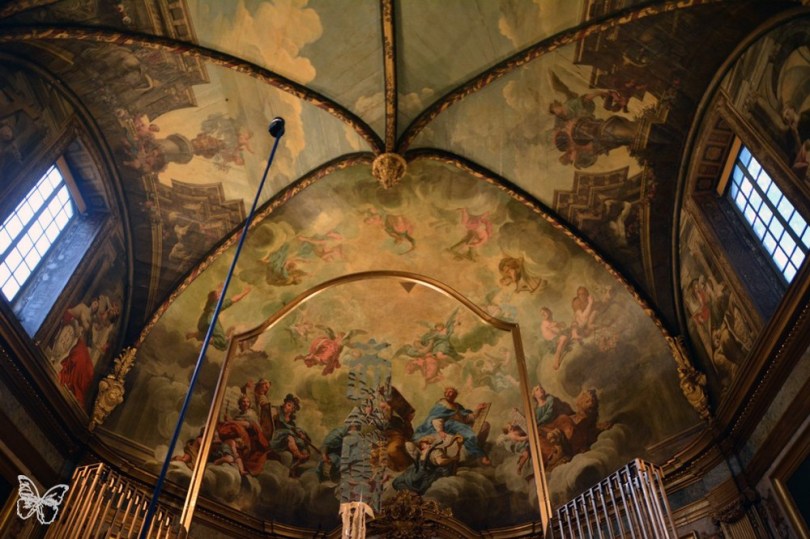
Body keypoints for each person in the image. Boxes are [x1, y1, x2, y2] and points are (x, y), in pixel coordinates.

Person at [412, 387, 490, 465]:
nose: (449, 394)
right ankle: (481, 456)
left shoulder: (457, 406)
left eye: (451, 392)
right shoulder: (441, 405)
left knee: (480, 427)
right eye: (448, 392)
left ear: (455, 395)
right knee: (469, 435)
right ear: (445, 394)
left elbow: (466, 418)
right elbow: (436, 418)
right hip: (449, 425)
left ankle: (476, 455)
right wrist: (440, 431)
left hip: (458, 425)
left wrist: (477, 409)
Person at [186, 283, 251, 350]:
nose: (220, 295)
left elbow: (215, 294)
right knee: (223, 342)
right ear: (216, 298)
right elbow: (234, 299)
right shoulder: (218, 304)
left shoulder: (210, 303)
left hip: (202, 321)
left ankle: (194, 334)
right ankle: (205, 342)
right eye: (218, 295)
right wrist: (245, 292)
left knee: (207, 333)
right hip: (211, 319)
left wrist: (219, 289)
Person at [271, 393, 312, 469]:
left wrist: (300, 434)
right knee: (290, 437)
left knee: (300, 439)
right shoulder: (277, 411)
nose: (289, 408)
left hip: (285, 439)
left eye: (292, 408)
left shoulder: (291, 421)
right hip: (277, 437)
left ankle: (298, 460)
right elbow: (270, 416)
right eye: (289, 405)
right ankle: (298, 455)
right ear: (285, 404)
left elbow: (294, 430)